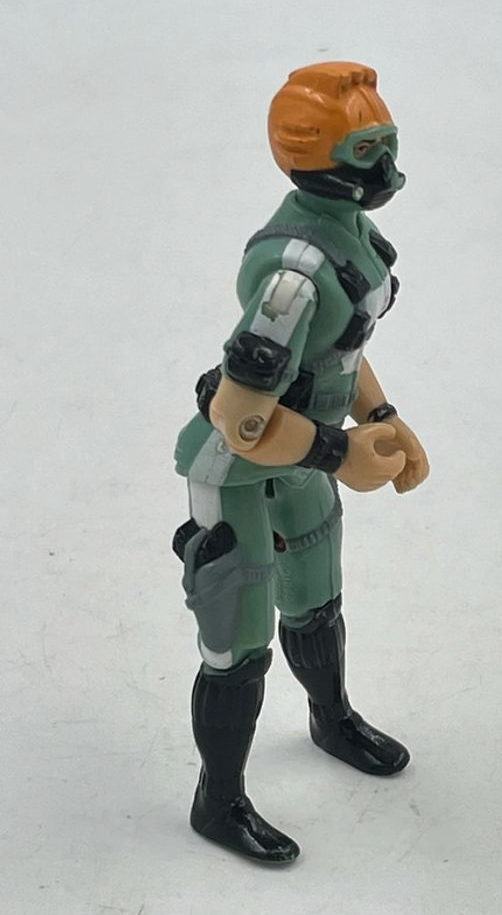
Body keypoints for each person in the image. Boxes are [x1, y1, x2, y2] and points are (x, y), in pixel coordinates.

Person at [173, 61, 429, 864]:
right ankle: (219, 799)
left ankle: (331, 716)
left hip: (306, 448)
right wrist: (342, 452)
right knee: (239, 638)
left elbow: (341, 354)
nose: (387, 165)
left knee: (316, 596)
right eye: (366, 149)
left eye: (387, 142)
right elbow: (240, 414)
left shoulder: (352, 237)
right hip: (238, 464)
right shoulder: (293, 274)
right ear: (313, 154)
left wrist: (380, 417)